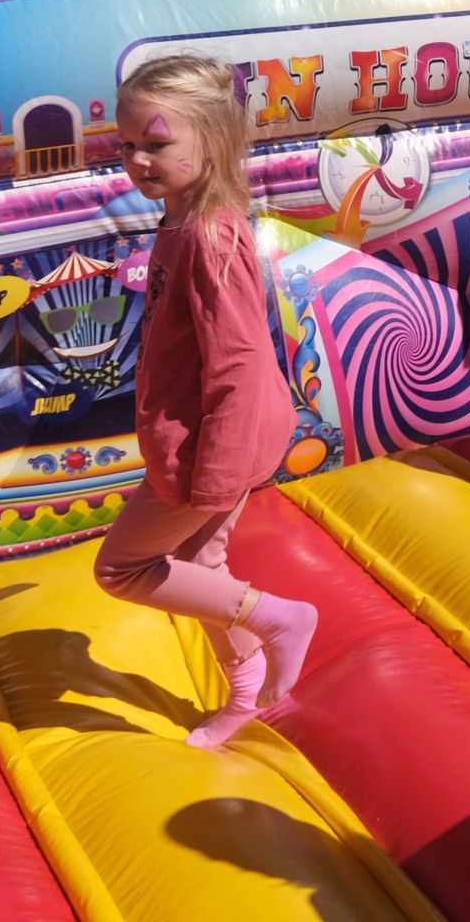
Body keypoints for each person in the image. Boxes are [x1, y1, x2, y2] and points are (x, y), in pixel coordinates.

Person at [94, 54, 317, 749]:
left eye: (155, 143)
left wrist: (213, 474)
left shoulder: (208, 236)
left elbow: (239, 361)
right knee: (201, 568)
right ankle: (246, 699)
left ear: (213, 143)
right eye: (127, 144)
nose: (136, 159)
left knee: (122, 569)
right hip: (212, 437)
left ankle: (280, 618)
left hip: (211, 445)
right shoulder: (189, 217)